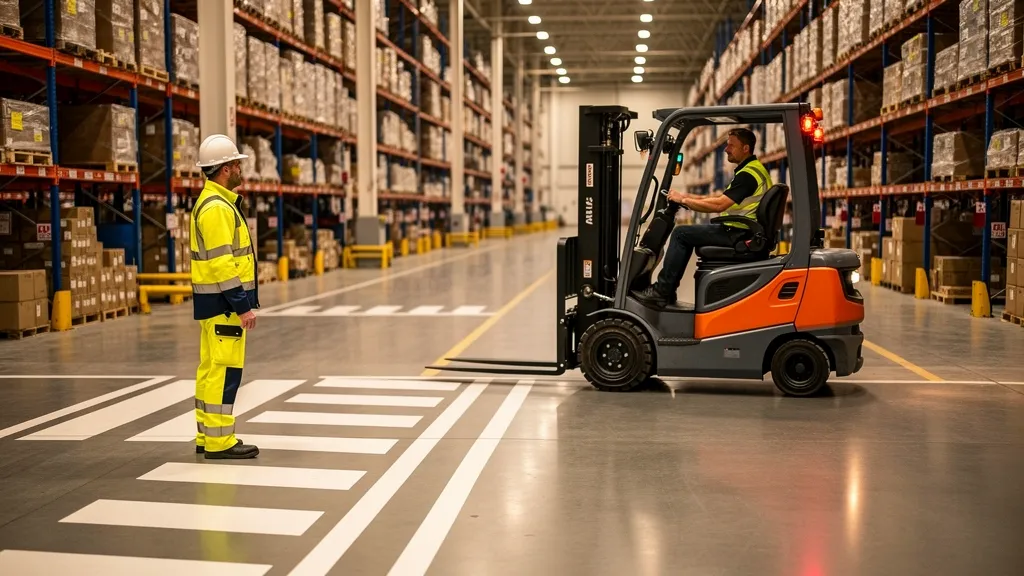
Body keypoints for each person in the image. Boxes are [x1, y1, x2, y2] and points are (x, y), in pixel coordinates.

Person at [635, 127, 772, 308]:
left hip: (740, 233)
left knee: (681, 234)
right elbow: (719, 198)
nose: (726, 149)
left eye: (731, 145)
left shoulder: (748, 175)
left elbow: (719, 205)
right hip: (743, 231)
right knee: (685, 233)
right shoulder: (751, 170)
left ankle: (662, 291)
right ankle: (666, 291)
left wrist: (684, 200)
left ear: (745, 148)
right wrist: (686, 196)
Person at [191, 134, 261, 459]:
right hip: (224, 305)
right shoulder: (217, 209)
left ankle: (207, 434)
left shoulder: (214, 203)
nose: (238, 169)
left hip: (213, 304)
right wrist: (242, 305)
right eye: (235, 164)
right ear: (223, 170)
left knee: (210, 369)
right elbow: (222, 264)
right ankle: (220, 441)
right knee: (224, 371)